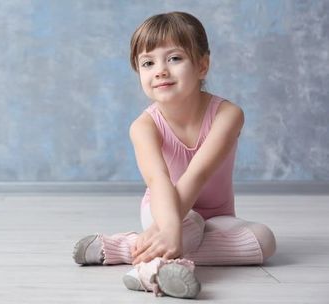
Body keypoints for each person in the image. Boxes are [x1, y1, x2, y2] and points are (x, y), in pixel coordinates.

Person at [72, 11, 276, 299]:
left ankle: (129, 247)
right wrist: (169, 227)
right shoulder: (143, 126)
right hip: (164, 208)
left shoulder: (227, 115)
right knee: (188, 223)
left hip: (217, 216)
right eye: (148, 63)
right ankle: (156, 270)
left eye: (175, 58)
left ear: (202, 65)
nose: (160, 70)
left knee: (264, 241)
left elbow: (197, 174)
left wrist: (170, 234)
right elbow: (158, 181)